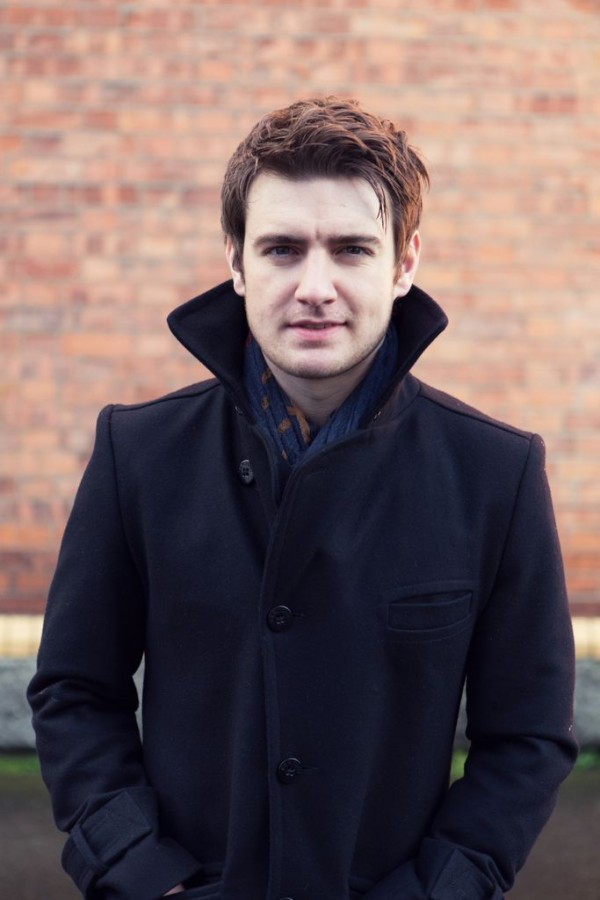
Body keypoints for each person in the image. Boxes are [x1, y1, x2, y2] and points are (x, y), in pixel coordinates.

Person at [28, 97, 577, 900]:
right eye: (282, 249)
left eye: (352, 249)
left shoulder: (497, 474)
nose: (315, 287)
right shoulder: (137, 453)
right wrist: (141, 875)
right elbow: (74, 693)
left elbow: (528, 738)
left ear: (405, 264)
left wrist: (439, 890)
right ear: (237, 262)